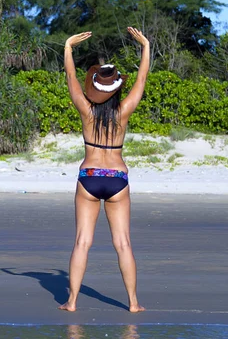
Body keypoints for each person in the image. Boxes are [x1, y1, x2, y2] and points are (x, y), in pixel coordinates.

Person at [58, 27, 150, 313]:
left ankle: (72, 302)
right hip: (117, 179)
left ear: (95, 89)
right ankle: (133, 304)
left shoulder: (86, 111)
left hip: (89, 177)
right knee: (123, 243)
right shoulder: (123, 112)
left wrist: (68, 48)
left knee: (82, 242)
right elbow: (142, 78)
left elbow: (72, 78)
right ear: (116, 89)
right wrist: (145, 47)